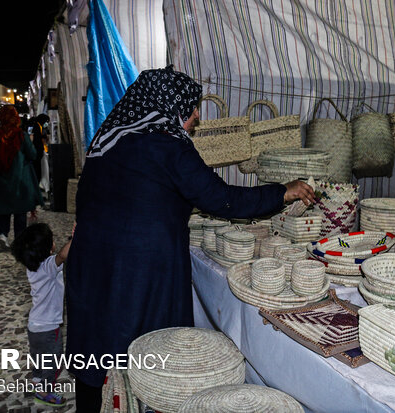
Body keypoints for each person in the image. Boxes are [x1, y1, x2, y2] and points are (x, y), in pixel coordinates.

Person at [66, 65, 315, 411]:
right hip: (138, 273)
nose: (197, 115)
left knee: (98, 348)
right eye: (191, 106)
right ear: (171, 105)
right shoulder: (167, 146)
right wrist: (281, 193)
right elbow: (222, 198)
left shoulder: (106, 139)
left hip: (92, 263)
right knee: (148, 357)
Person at [11, 223, 73, 407]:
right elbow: (63, 255)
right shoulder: (47, 267)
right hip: (48, 328)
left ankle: (37, 382)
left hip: (35, 326)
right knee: (54, 362)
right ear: (48, 247)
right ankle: (44, 392)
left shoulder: (33, 267)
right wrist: (77, 236)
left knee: (40, 359)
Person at [0, 105, 43, 249]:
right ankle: (19, 238)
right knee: (20, 210)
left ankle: (2, 234)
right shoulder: (20, 135)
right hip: (20, 178)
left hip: (0, 178)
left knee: (4, 209)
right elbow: (33, 154)